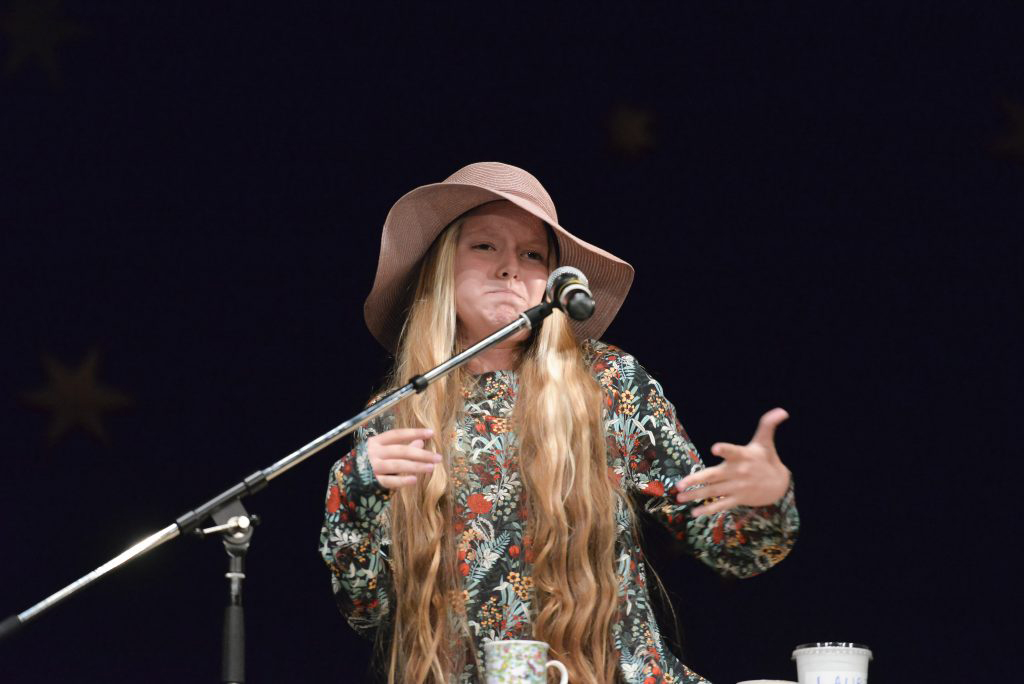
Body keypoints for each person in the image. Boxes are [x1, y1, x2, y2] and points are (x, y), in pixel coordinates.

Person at [319, 162, 799, 683]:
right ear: (442, 266)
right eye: (485, 246)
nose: (510, 268)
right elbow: (371, 615)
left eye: (532, 255)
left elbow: (733, 550)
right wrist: (352, 495)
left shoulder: (608, 382)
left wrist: (767, 498)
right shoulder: (395, 417)